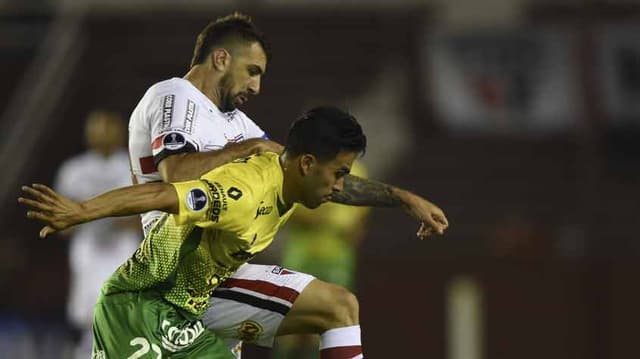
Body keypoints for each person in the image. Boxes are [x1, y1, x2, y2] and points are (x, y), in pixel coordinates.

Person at [127, 12, 449, 357]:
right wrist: (247, 148)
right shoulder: (175, 95)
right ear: (221, 58)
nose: (256, 87)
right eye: (252, 71)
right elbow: (176, 174)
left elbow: (310, 174)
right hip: (183, 274)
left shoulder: (236, 124)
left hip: (211, 275)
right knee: (338, 308)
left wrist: (399, 197)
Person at [22, 106, 426, 358]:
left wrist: (404, 199)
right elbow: (164, 194)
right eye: (338, 174)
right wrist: (81, 210)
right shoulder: (243, 193)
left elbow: (345, 188)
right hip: (141, 306)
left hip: (196, 302)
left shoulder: (290, 171)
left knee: (340, 307)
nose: (340, 186)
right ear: (306, 164)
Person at [53, 110, 141, 358]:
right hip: (88, 249)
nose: (101, 134)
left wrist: (115, 217)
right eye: (96, 128)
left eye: (107, 127)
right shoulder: (74, 170)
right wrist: (76, 221)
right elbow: (60, 223)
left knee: (120, 314)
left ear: (119, 132)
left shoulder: (132, 166)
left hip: (122, 249)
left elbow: (148, 218)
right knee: (87, 317)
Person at [274, 160, 370, 359]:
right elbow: (285, 208)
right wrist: (318, 220)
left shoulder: (358, 172)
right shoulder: (307, 165)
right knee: (290, 323)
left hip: (337, 258)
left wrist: (352, 232)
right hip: (301, 256)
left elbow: (361, 218)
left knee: (329, 322)